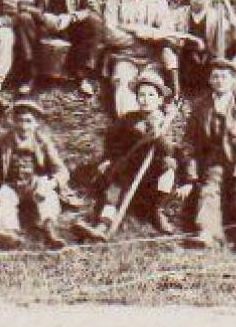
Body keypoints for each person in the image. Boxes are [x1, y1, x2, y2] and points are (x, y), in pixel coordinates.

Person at [74, 71, 180, 240]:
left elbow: (169, 150)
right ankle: (103, 225)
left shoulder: (164, 123)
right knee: (114, 188)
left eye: (151, 95)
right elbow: (113, 143)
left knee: (169, 167)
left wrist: (158, 132)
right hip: (128, 171)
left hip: (151, 177)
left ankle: (157, 210)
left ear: (160, 100)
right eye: (141, 95)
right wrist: (107, 160)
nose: (145, 99)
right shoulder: (128, 120)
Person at [182, 58, 236, 250]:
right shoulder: (200, 107)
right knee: (209, 191)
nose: (219, 80)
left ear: (233, 81)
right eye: (215, 76)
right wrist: (191, 174)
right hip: (212, 163)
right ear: (209, 80)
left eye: (224, 77)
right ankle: (208, 233)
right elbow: (189, 142)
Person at [16, 0, 102, 96]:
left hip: (71, 30)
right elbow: (23, 4)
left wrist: (71, 17)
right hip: (43, 29)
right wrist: (43, 16)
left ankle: (83, 75)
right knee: (24, 18)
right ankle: (29, 73)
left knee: (94, 22)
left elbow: (93, 9)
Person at [102, 0, 180, 117]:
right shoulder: (114, 0)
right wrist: (144, 36)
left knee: (150, 88)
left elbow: (165, 32)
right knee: (123, 84)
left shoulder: (159, 1)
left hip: (152, 58)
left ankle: (151, 129)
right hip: (124, 57)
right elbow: (110, 34)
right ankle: (130, 127)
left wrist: (137, 31)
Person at [0, 99, 70, 250]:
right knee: (3, 196)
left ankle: (50, 230)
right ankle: (10, 233)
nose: (24, 126)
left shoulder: (43, 142)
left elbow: (62, 171)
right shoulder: (2, 141)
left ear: (36, 123)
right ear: (13, 122)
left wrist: (50, 184)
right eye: (19, 121)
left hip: (35, 184)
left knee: (48, 191)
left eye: (28, 121)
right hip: (12, 185)